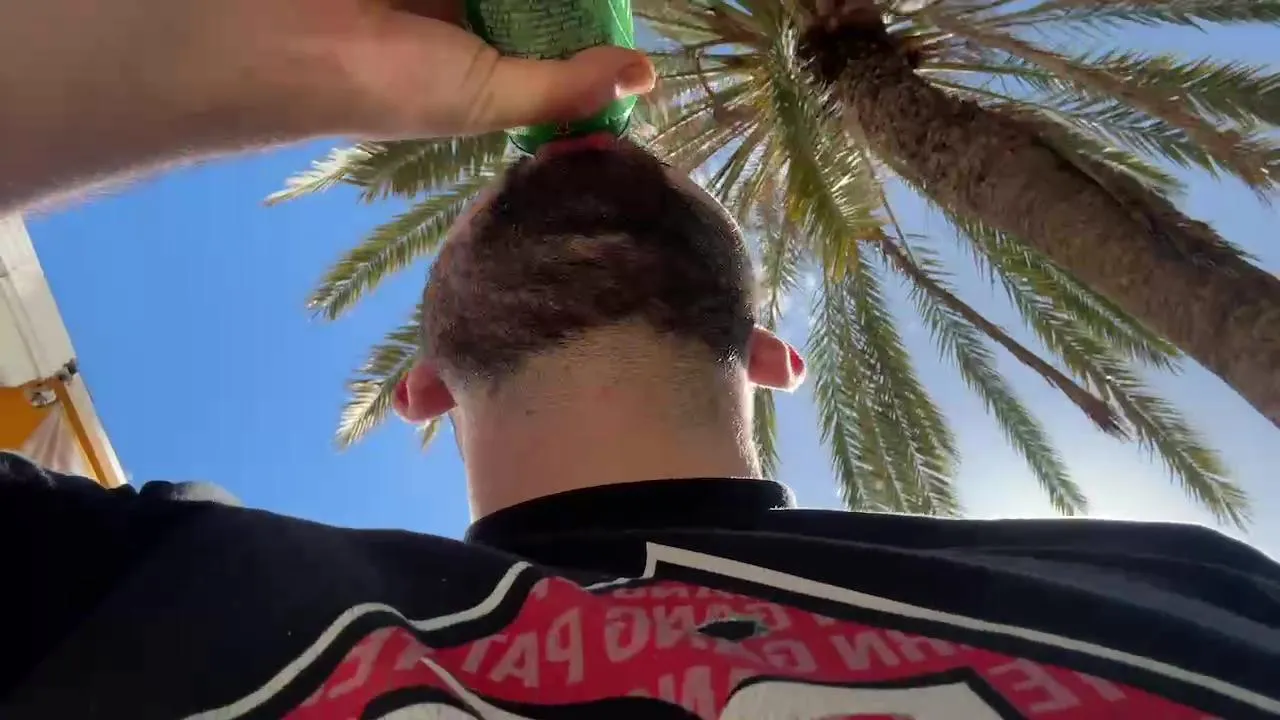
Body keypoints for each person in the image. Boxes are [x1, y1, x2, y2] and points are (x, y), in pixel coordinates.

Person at [1, 1, 1277, 718]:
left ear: (771, 350)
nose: (586, 155)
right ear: (420, 380)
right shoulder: (115, 582)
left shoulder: (1188, 581)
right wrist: (296, 60)